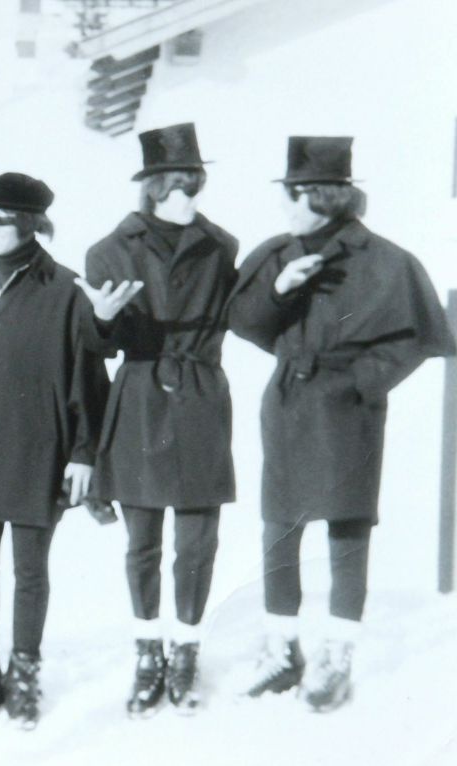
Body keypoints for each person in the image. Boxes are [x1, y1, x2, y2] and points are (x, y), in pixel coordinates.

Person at [228, 136, 455, 712]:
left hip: (349, 410)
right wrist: (281, 289)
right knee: (279, 526)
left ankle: (338, 655)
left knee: (348, 530)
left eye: (292, 194)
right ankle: (282, 653)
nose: (284, 207)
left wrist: (364, 381)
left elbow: (418, 338)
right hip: (288, 403)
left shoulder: (386, 259)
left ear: (319, 196)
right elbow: (244, 323)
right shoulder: (276, 253)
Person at [78, 123, 238, 716]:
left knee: (197, 540)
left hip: (198, 395)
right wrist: (100, 319)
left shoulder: (223, 246)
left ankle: (187, 651)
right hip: (142, 395)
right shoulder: (108, 251)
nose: (183, 194)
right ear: (147, 187)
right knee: (142, 542)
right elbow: (97, 346)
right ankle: (148, 653)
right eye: (170, 183)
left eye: (191, 182)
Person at [0, 173, 110, 730]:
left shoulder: (64, 289)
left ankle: (24, 670)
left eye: (3, 219)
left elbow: (89, 378)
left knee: (30, 571)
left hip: (39, 448)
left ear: (32, 223)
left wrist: (85, 452)